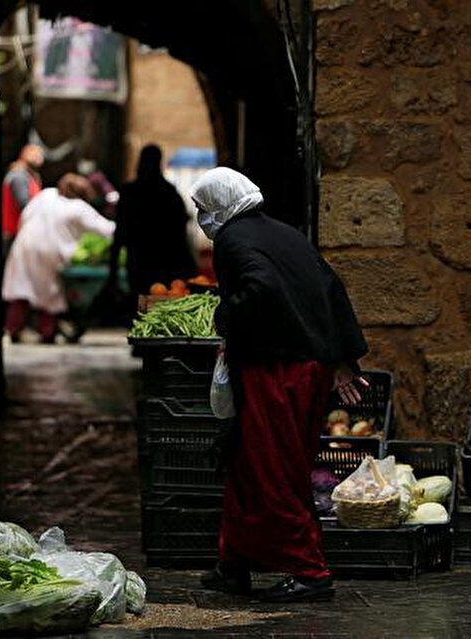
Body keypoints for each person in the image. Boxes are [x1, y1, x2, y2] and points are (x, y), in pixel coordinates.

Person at [190, 167, 369, 603]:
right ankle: (234, 562)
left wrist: (226, 319)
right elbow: (330, 286)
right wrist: (342, 358)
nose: (200, 216)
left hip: (277, 372)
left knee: (273, 469)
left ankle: (310, 571)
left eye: (201, 207)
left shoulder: (234, 240)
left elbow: (262, 287)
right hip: (307, 369)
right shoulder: (283, 233)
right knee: (249, 465)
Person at [2, 173, 115, 343]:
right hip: (50, 251)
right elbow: (107, 229)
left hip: (24, 244)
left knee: (21, 290)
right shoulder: (79, 207)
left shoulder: (46, 194)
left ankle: (12, 329)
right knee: (49, 293)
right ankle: (47, 331)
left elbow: (25, 213)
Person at [108, 145, 195, 318]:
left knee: (142, 308)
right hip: (163, 261)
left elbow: (120, 233)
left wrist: (114, 268)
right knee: (159, 307)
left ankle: (142, 340)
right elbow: (180, 231)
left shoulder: (130, 192)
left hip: (140, 261)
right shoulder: (169, 193)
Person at [2, 144, 44, 256]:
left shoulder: (28, 175)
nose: (38, 157)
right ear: (23, 155)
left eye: (40, 154)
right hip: (14, 234)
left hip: (20, 232)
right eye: (34, 153)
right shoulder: (19, 176)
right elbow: (24, 205)